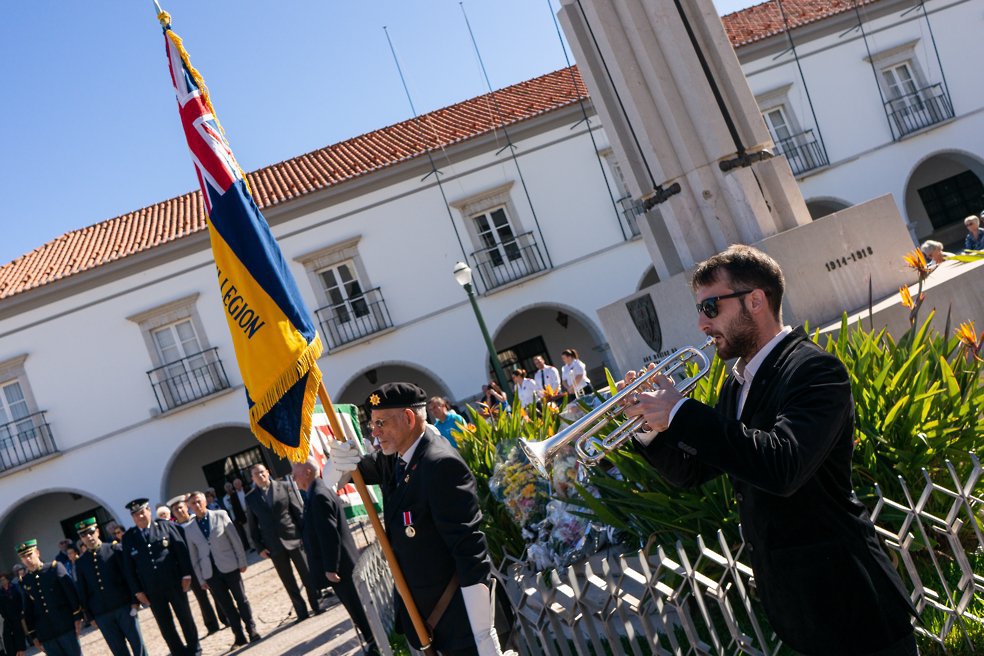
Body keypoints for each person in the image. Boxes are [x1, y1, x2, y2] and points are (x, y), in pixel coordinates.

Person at [623, 244, 916, 655]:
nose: (701, 324)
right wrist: (650, 428)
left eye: (710, 308)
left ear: (755, 300)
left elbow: (783, 466)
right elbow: (691, 473)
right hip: (800, 609)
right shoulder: (738, 383)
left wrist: (683, 411)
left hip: (852, 602)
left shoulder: (814, 370)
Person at [326, 382, 512, 656]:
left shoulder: (439, 465)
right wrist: (335, 464)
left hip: (464, 625)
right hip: (431, 624)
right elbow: (356, 471)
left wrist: (484, 633)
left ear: (409, 418)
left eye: (381, 424)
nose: (375, 434)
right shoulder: (397, 458)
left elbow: (470, 551)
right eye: (372, 426)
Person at [292, 459, 379, 656]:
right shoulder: (315, 492)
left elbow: (329, 535)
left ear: (307, 472)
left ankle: (375, 644)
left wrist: (331, 568)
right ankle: (373, 641)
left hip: (342, 567)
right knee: (356, 607)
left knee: (358, 608)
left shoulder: (319, 495)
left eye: (295, 473)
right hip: (342, 564)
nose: (293, 478)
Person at [121, 498, 201, 656]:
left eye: (142, 512)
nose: (140, 517)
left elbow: (182, 552)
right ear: (133, 518)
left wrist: (186, 575)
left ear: (149, 511)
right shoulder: (129, 538)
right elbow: (129, 568)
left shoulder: (166, 526)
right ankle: (178, 651)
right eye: (136, 515)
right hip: (151, 589)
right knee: (165, 624)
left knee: (185, 617)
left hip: (174, 583)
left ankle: (194, 649)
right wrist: (137, 591)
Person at [245, 463, 321, 622]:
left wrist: (305, 535)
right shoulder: (250, 498)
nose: (260, 476)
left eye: (262, 472)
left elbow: (298, 512)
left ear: (268, 472)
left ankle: (316, 605)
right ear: (252, 478)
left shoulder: (285, 486)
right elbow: (253, 526)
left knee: (307, 574)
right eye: (256, 474)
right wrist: (259, 547)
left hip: (294, 537)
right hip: (273, 545)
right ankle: (301, 612)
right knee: (288, 581)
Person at [184, 491, 261, 648]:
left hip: (230, 565)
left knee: (241, 599)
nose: (197, 505)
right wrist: (200, 578)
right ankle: (238, 636)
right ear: (189, 507)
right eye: (193, 503)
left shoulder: (220, 515)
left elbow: (235, 540)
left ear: (205, 501)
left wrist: (242, 560)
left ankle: (251, 629)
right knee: (226, 605)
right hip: (210, 573)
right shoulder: (190, 528)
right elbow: (194, 556)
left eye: (199, 501)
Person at [74, 517, 148, 656]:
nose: (88, 537)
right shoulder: (81, 562)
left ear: (97, 531)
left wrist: (134, 601)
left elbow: (129, 576)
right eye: (84, 535)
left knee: (138, 646)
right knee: (118, 650)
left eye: (90, 532)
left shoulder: (114, 549)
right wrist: (90, 616)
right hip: (102, 613)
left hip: (124, 606)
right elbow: (83, 591)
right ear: (81, 538)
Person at [169, 495, 225, 635]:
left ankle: (225, 617)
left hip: (205, 562)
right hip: (190, 567)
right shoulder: (173, 529)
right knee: (201, 597)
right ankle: (211, 624)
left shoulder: (196, 521)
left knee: (216, 591)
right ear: (173, 513)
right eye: (176, 510)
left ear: (186, 507)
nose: (179, 511)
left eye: (181, 507)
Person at [17, 538, 84, 656]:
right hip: (46, 633)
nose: (27, 559)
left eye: (29, 554)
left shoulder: (54, 568)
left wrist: (77, 617)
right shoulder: (24, 581)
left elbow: (71, 594)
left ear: (37, 553)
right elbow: (28, 610)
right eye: (23, 557)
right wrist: (33, 635)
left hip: (65, 626)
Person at [0, 571, 27, 656]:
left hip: (17, 615)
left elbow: (20, 599)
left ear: (7, 580)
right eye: (1, 581)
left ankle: (21, 651)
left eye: (4, 580)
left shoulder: (14, 587)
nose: (3, 582)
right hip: (7, 617)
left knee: (19, 634)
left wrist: (21, 611)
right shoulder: (0, 592)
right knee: (8, 636)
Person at [222, 481, 252, 551]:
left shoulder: (247, 489)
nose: (229, 488)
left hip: (251, 512)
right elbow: (232, 507)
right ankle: (252, 546)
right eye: (235, 484)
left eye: (229, 486)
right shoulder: (233, 496)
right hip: (241, 515)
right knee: (247, 531)